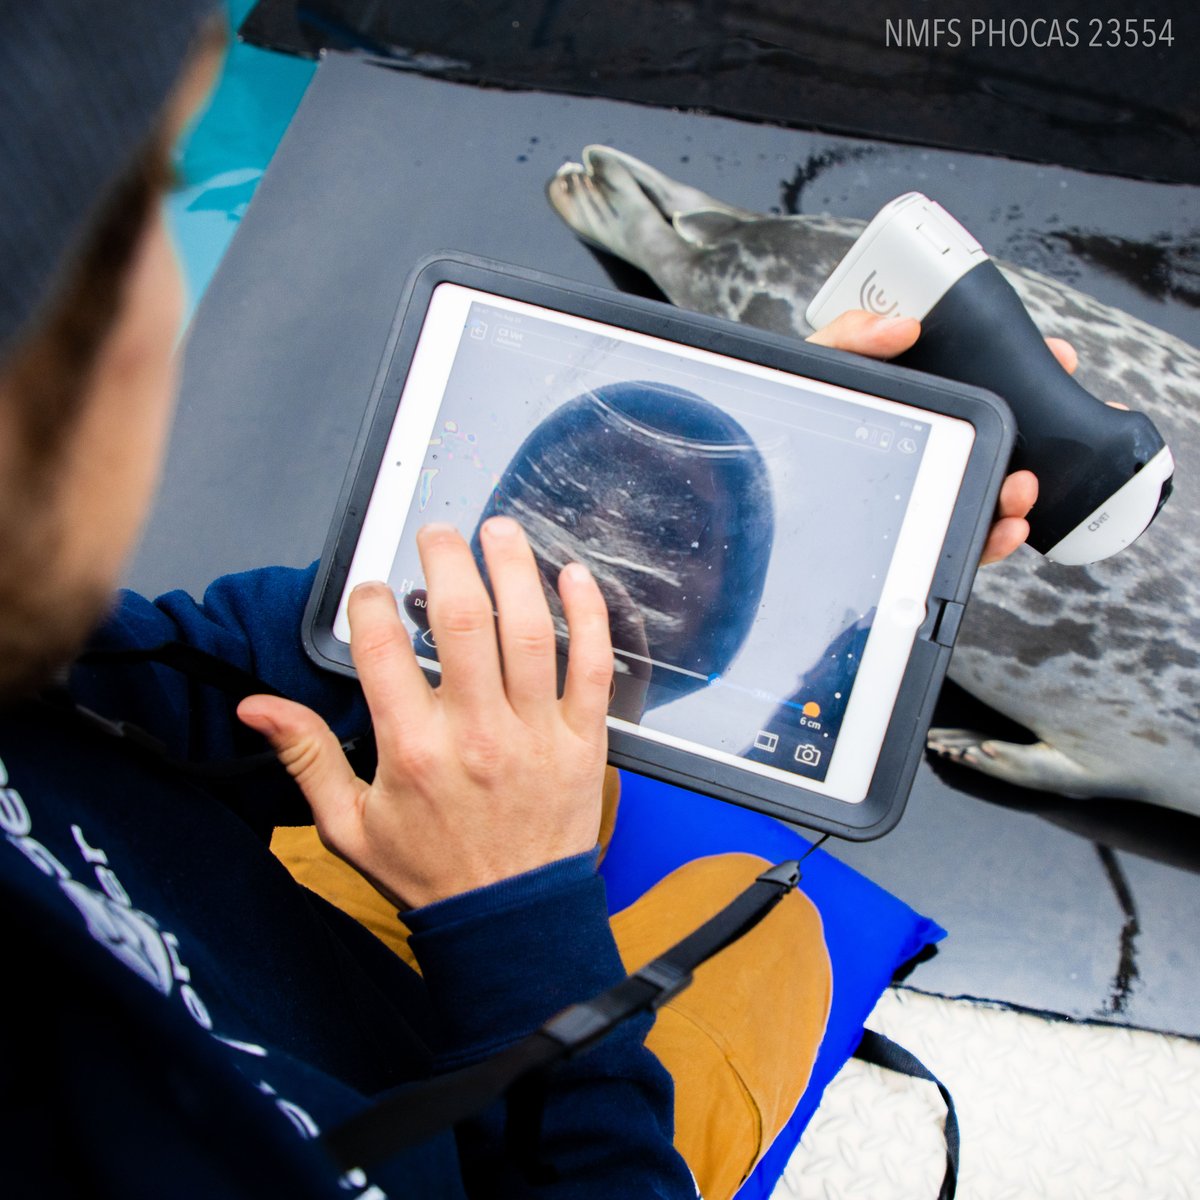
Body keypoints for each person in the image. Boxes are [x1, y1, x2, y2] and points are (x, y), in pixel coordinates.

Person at [0, 5, 1057, 1197]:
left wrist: (462, 634)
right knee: (770, 927)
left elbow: (174, 675)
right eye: (140, 207)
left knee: (539, 764)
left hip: (312, 966)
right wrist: (513, 923)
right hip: (496, 1114)